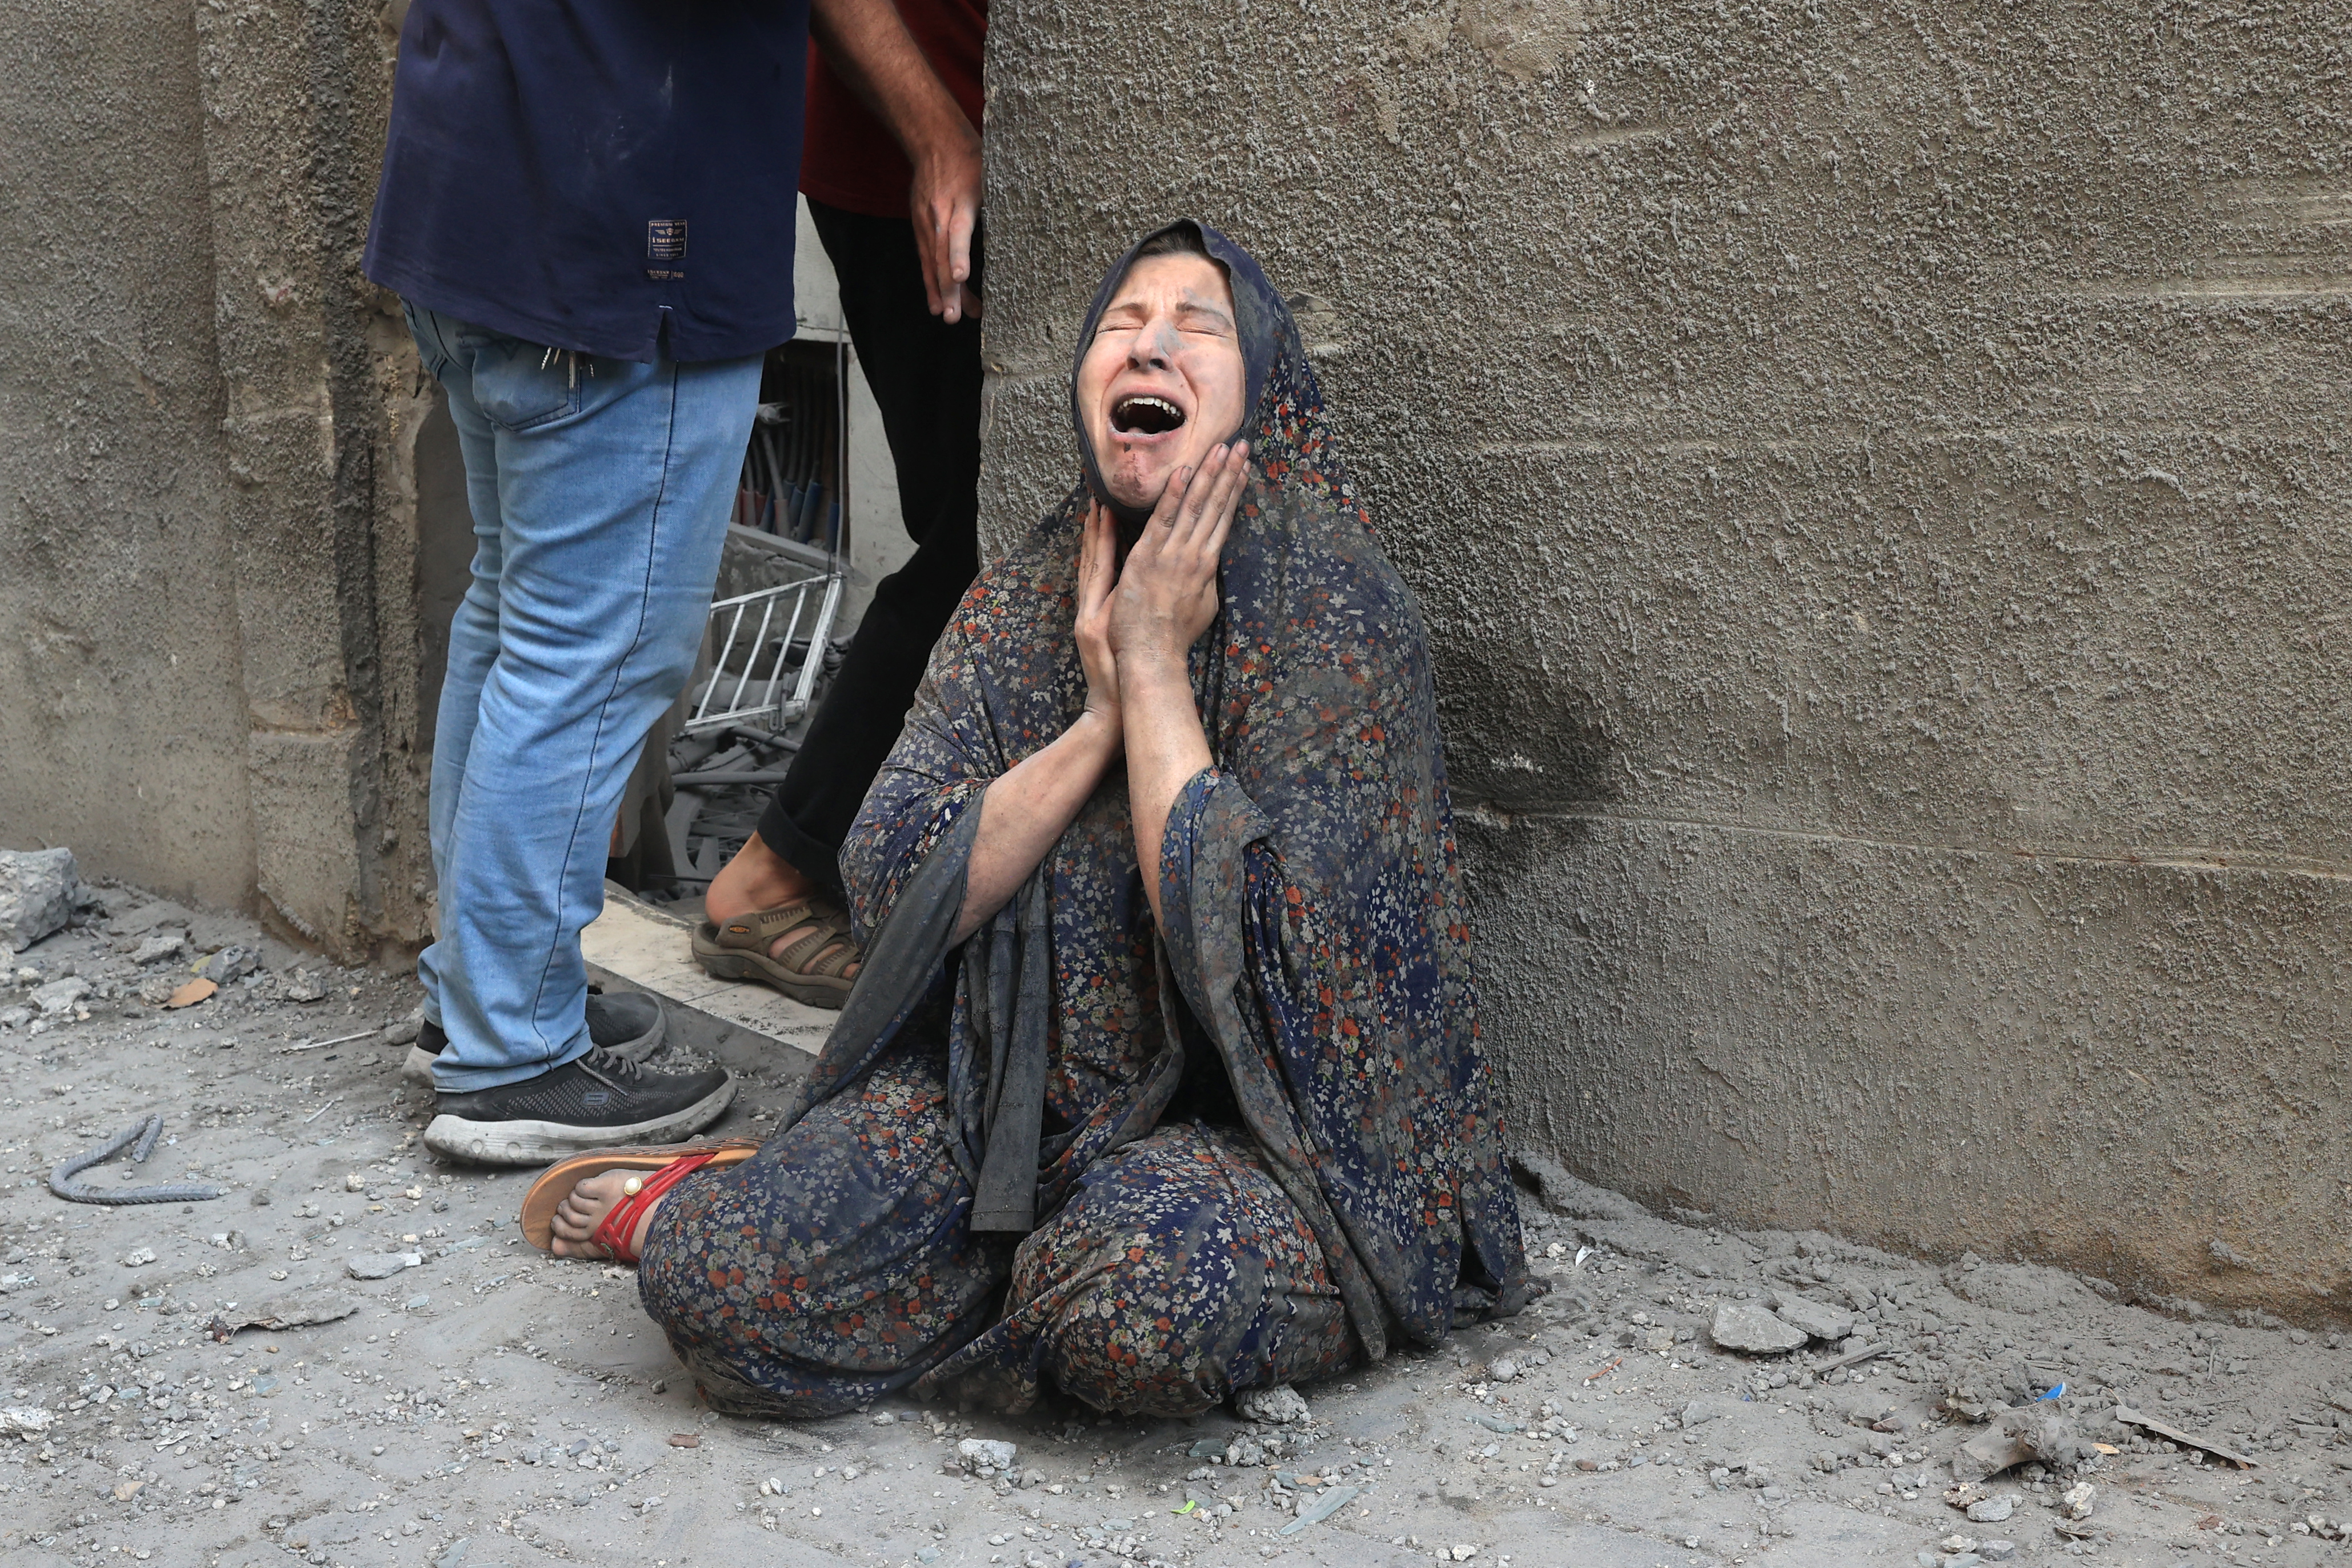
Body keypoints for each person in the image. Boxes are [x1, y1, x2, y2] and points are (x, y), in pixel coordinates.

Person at [517, 222, 1538, 1418]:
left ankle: (968, 1281)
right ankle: (914, 1246)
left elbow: (1275, 970)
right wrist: (1099, 714)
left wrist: (1158, 668)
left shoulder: (1336, 611)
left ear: (1262, 389)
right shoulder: (1027, 593)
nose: (1150, 346)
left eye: (1196, 328)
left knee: (1137, 1307)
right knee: (715, 1279)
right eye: (1122, 325)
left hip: (1278, 1153)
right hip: (999, 1106)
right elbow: (893, 879)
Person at [361, 0, 983, 1165]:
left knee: (518, 620)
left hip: (483, 192)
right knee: (586, 653)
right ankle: (513, 1058)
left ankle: (484, 997)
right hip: (607, 223)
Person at [691, 1, 988, 1009]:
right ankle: (773, 872)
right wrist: (937, 134)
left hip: (966, 154)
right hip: (918, 164)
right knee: (975, 548)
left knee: (971, 537)